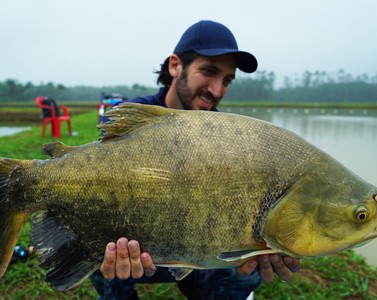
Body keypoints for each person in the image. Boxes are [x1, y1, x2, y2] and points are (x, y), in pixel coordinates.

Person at [90, 20, 300, 300]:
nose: (216, 90)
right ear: (176, 65)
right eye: (209, 71)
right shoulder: (134, 117)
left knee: (243, 278)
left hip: (197, 254)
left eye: (227, 80)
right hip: (135, 250)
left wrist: (248, 260)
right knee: (104, 257)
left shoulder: (226, 135)